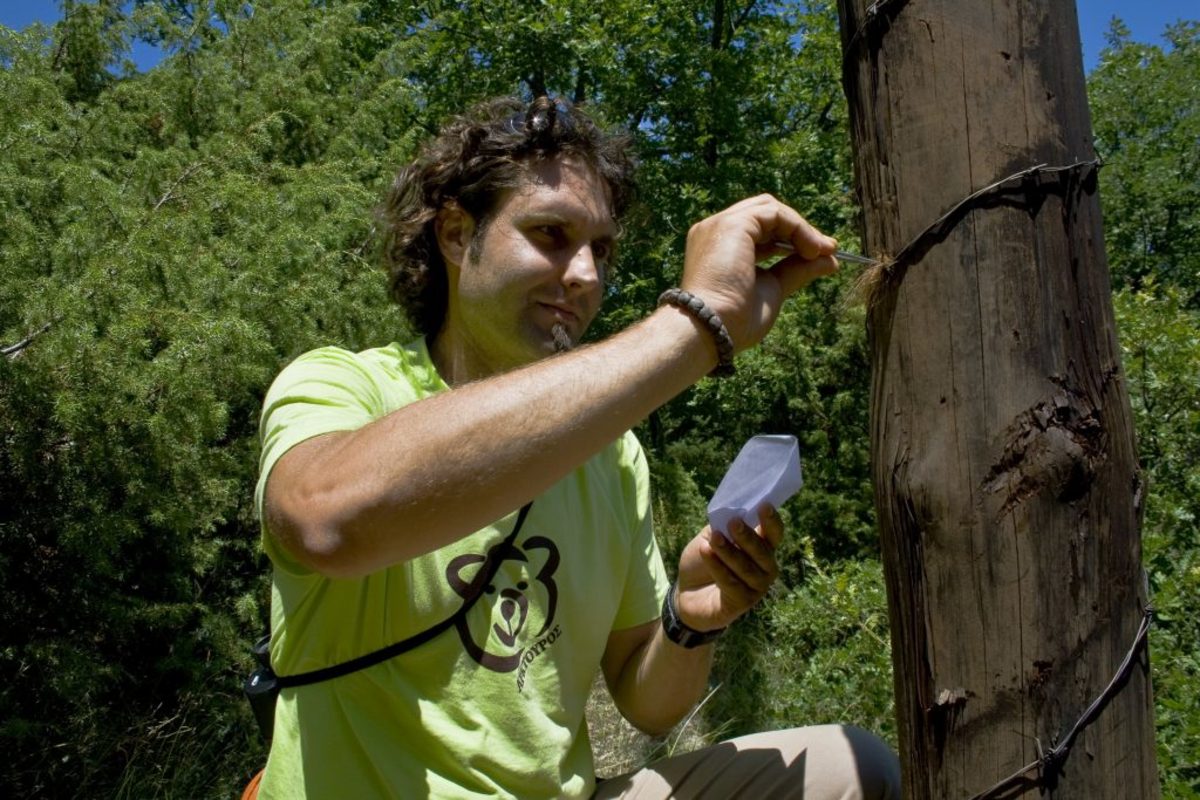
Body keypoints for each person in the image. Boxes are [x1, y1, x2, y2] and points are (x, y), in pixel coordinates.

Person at [252, 95, 900, 799]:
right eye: (551, 234)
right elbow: (324, 521)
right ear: (454, 233)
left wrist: (689, 619)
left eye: (601, 249)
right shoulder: (343, 383)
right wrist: (693, 328)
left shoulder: (613, 454)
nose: (587, 275)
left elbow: (644, 703)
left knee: (852, 767)